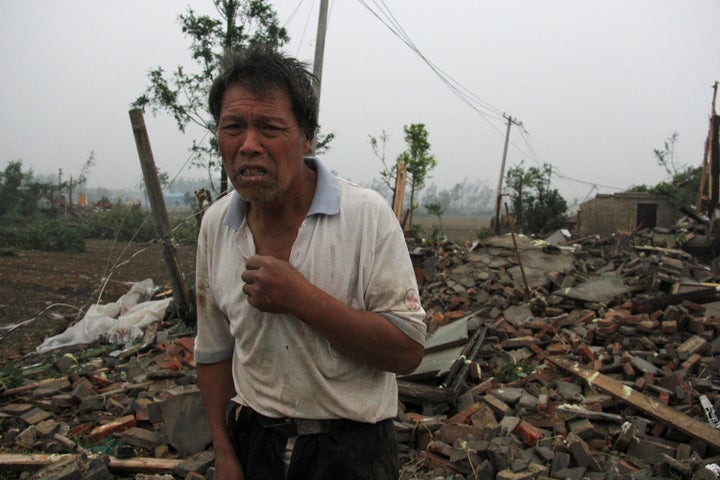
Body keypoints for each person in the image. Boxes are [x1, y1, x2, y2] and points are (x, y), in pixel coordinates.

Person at [194, 45, 426, 480]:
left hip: (352, 451)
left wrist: (301, 298)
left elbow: (407, 350)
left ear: (306, 136)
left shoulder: (365, 216)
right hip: (255, 444)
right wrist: (225, 453)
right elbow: (213, 353)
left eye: (268, 127)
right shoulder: (216, 226)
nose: (248, 145)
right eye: (233, 127)